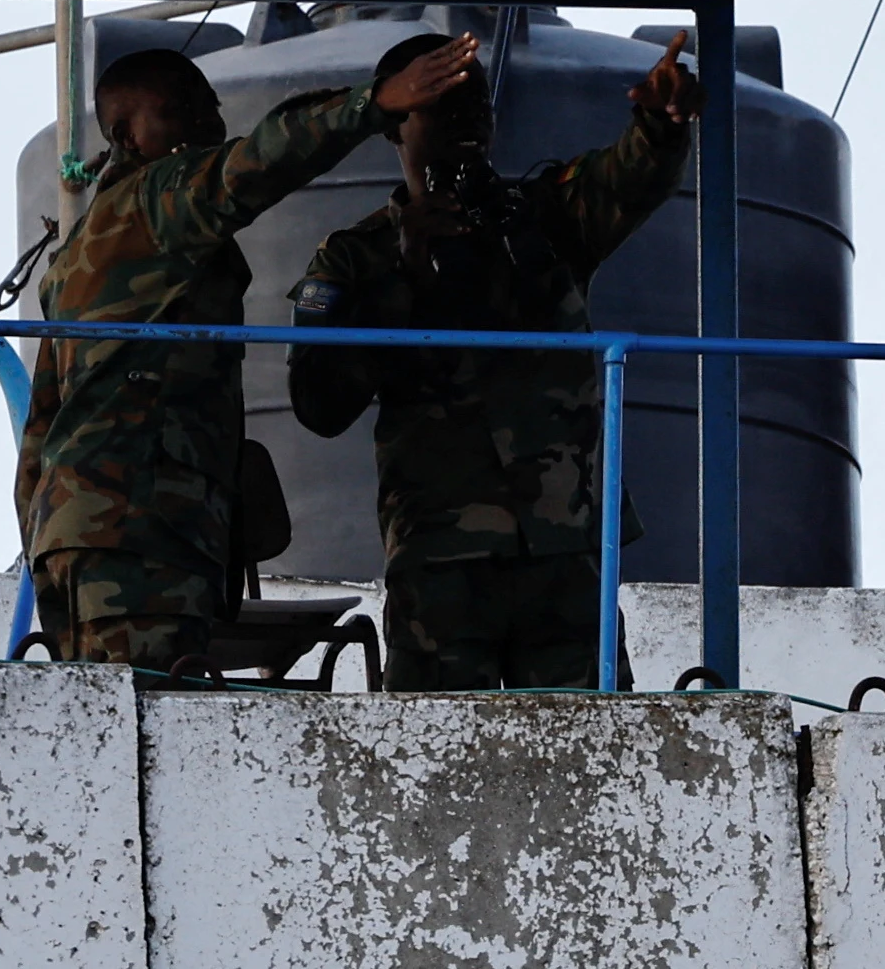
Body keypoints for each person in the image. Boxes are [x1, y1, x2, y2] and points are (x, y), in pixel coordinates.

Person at [22, 33, 483, 669]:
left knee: (102, 735)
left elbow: (43, 424)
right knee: (151, 726)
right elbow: (260, 161)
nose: (209, 123)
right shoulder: (156, 199)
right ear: (128, 137)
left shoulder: (75, 254)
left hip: (83, 532)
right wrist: (372, 103)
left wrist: (45, 535)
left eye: (211, 106)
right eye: (184, 109)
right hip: (141, 531)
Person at [285, 36, 701, 691]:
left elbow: (630, 177)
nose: (468, 116)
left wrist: (661, 121)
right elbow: (318, 403)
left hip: (566, 550)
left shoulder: (548, 216)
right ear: (395, 121)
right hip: (442, 555)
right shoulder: (355, 258)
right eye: (442, 101)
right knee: (440, 760)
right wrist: (406, 277)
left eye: (478, 98)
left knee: (594, 753)